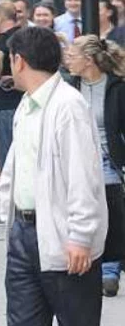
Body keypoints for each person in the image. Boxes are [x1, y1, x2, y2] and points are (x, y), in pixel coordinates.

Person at [0, 26, 107, 326]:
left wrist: (81, 236)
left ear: (18, 61)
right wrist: (10, 214)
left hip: (64, 238)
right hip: (23, 235)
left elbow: (84, 176)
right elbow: (13, 168)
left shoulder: (68, 106)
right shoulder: (26, 105)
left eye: (10, 60)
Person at [62, 35, 125, 298]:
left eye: (72, 56)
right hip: (76, 159)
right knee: (83, 211)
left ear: (88, 60)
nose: (67, 60)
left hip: (108, 161)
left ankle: (110, 269)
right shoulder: (68, 87)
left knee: (111, 212)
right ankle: (91, 264)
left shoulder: (116, 88)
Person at [0, 1, 22, 228]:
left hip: (5, 102)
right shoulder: (22, 36)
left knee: (8, 156)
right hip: (18, 101)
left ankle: (7, 210)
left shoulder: (3, 39)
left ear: (0, 16)